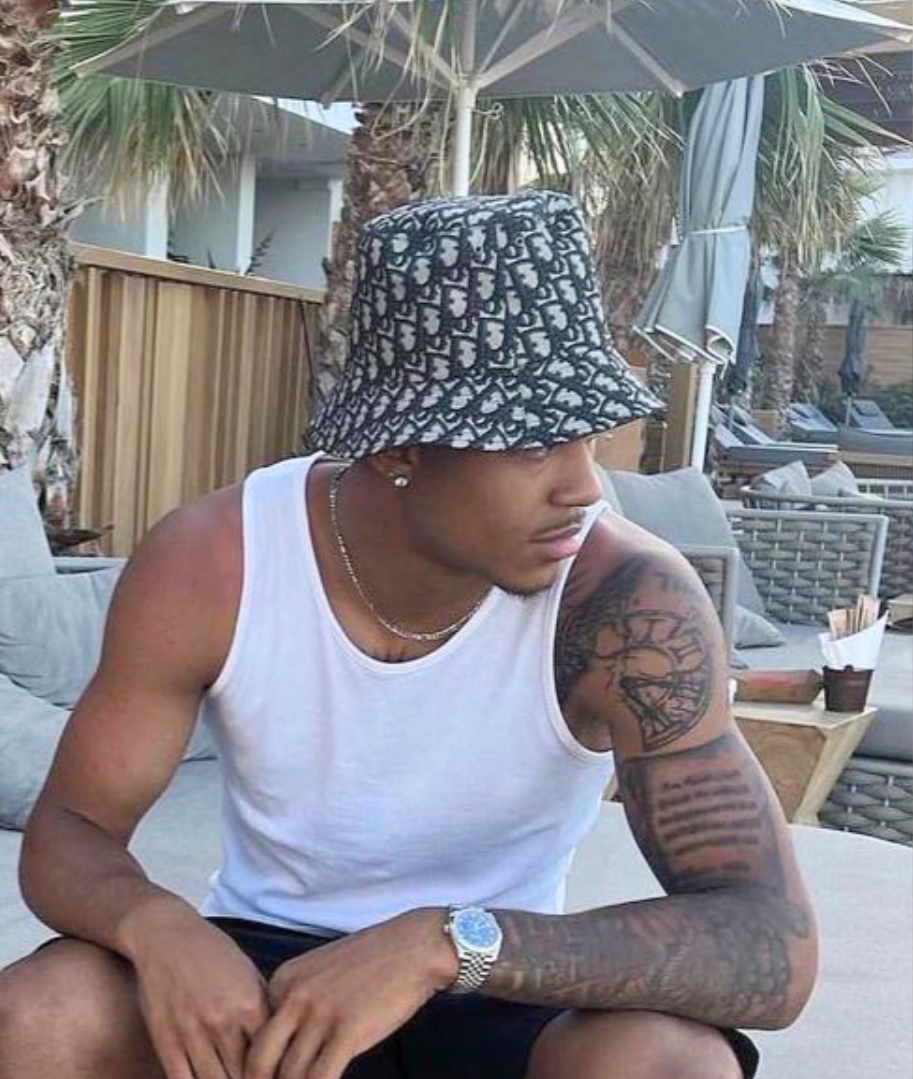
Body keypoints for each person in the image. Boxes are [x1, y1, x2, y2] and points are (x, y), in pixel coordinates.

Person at [0, 191, 816, 1079]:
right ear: (397, 450)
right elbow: (70, 829)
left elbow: (769, 944)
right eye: (530, 445)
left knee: (667, 1060)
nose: (583, 486)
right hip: (263, 973)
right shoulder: (217, 563)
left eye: (584, 436)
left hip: (495, 978)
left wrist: (448, 942)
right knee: (44, 1013)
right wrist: (154, 925)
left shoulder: (625, 602)